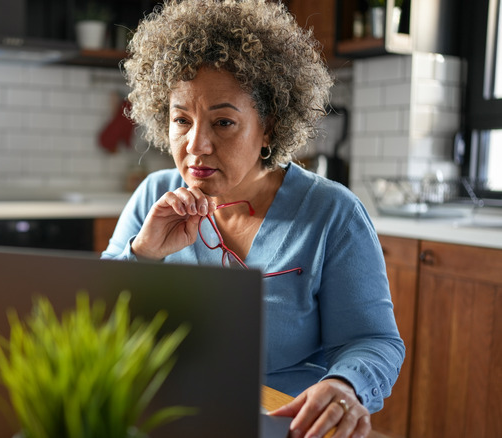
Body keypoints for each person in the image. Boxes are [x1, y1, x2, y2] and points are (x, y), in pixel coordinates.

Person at [101, 1, 405, 437]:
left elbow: (372, 341)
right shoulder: (153, 195)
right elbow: (96, 323)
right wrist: (142, 255)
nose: (196, 145)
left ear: (269, 126)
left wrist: (345, 384)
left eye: (223, 122)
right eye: (180, 120)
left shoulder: (332, 214)